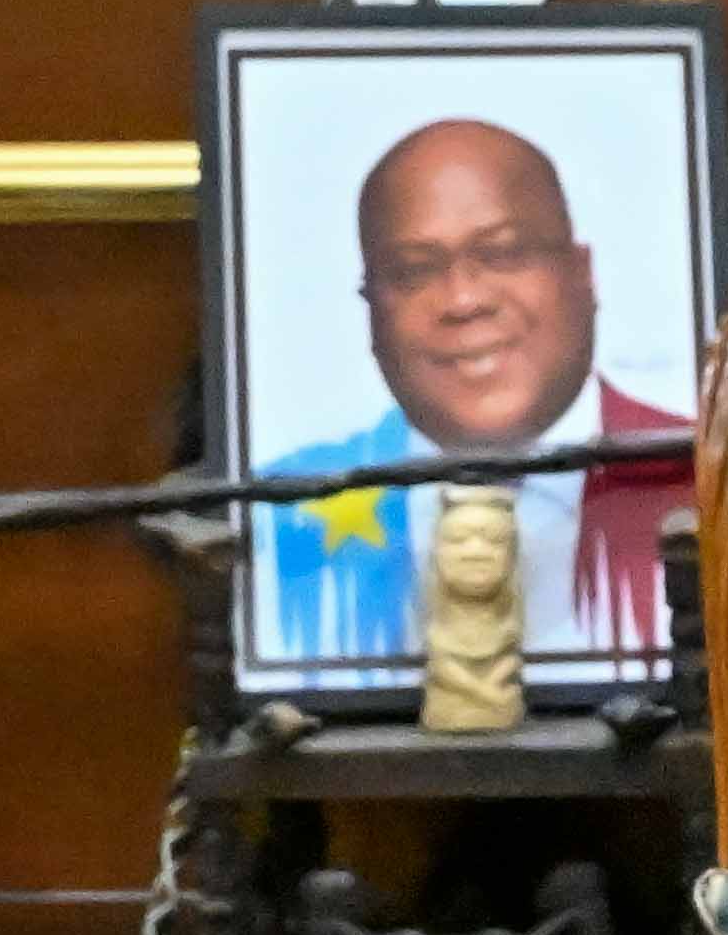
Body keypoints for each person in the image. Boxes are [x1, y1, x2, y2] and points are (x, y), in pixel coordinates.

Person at [244, 111, 692, 675]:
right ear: (371, 309)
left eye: (503, 254)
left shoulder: (705, 481)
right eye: (412, 272)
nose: (462, 301)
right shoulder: (282, 522)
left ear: (583, 274)